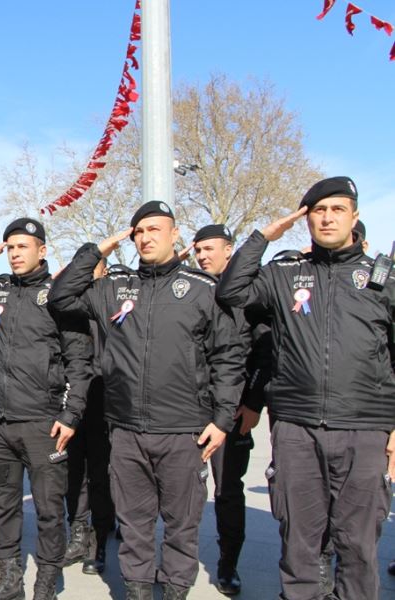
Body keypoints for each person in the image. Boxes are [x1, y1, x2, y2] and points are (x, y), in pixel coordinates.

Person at [50, 202, 245, 600]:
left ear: (175, 235)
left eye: (155, 229)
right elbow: (60, 296)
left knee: (181, 524)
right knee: (134, 524)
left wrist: (223, 418)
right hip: (125, 430)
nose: (145, 237)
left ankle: (174, 590)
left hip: (182, 431)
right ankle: (138, 591)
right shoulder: (115, 288)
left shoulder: (201, 289)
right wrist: (98, 249)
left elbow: (228, 356)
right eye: (138, 231)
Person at [216, 176, 395, 600]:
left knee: (358, 548)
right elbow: (231, 291)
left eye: (337, 209)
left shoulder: (381, 277)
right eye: (318, 210)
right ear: (306, 218)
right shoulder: (284, 272)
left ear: (354, 216)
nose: (327, 217)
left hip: (365, 428)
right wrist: (264, 236)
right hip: (296, 429)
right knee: (299, 546)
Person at [0, 218, 92, 600]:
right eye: (10, 247)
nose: (15, 254)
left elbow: (79, 361)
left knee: (48, 511)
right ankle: (10, 580)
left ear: (42, 250)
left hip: (44, 425)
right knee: (5, 508)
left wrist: (70, 414)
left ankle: (45, 584)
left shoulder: (59, 296)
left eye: (23, 246)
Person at [192, 224, 272, 596]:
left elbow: (265, 353)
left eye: (210, 249)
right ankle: (180, 558)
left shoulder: (249, 295)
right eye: (197, 251)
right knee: (183, 490)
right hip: (190, 409)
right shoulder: (193, 290)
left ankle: (227, 564)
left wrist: (253, 404)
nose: (203, 256)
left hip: (234, 411)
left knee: (227, 490)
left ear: (229, 250)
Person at [63, 258, 116, 576]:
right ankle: (78, 535)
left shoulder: (111, 302)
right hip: (71, 402)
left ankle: (97, 544)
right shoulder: (69, 305)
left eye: (92, 268)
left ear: (104, 271)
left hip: (103, 400)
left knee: (100, 476)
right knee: (72, 476)